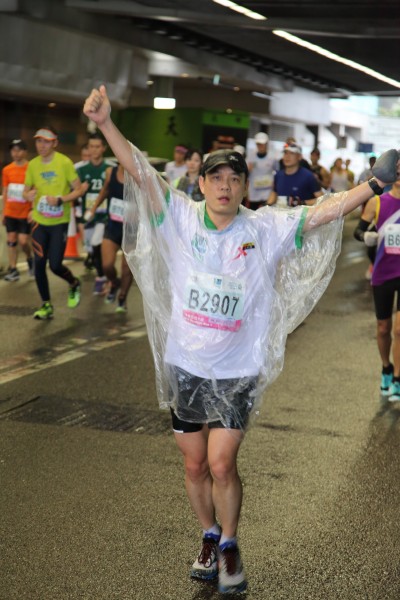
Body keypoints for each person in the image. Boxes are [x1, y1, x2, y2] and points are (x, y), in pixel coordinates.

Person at [83, 85, 399, 595]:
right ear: (201, 184)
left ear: (245, 186)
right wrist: (104, 123)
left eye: (234, 179)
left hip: (238, 368)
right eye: (216, 178)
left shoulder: (265, 228)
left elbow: (324, 211)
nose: (225, 187)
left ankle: (229, 543)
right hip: (186, 363)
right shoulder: (179, 217)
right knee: (193, 464)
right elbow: (140, 171)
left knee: (221, 462)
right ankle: (208, 535)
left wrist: (374, 185)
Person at [23, 126, 83, 320]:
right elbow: (25, 191)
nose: (42, 145)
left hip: (59, 222)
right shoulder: (33, 165)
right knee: (39, 263)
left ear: (55, 143)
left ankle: (74, 283)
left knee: (55, 265)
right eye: (39, 141)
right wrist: (28, 195)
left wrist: (60, 200)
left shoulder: (64, 163)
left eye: (46, 142)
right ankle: (46, 304)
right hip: (39, 222)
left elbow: (79, 190)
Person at [354, 176, 400, 401]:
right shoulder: (377, 202)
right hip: (383, 272)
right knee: (383, 328)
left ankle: (398, 379)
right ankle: (386, 368)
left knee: (399, 330)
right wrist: (366, 236)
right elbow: (358, 231)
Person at [86, 163, 134, 312]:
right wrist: (93, 209)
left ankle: (122, 297)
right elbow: (105, 191)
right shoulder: (110, 172)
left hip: (132, 230)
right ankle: (114, 282)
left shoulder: (138, 175)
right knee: (106, 265)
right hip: (113, 226)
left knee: (127, 269)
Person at [75, 132, 115, 294]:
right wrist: (80, 190)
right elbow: (74, 191)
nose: (94, 150)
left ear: (103, 148)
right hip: (88, 216)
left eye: (97, 146)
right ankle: (106, 274)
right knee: (91, 248)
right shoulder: (80, 169)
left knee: (97, 242)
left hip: (105, 216)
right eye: (91, 146)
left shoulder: (111, 168)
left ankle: (101, 278)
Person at [1, 139, 33, 281]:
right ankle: (13, 269)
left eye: (19, 150)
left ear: (25, 152)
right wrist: (3, 212)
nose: (16, 153)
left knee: (23, 241)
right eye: (13, 150)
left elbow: (35, 189)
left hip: (25, 211)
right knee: (11, 240)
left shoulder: (31, 168)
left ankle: (30, 258)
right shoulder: (7, 170)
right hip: (10, 211)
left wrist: (33, 209)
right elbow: (5, 190)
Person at [268, 142, 322, 207]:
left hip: (302, 213)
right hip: (280, 212)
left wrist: (302, 202)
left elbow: (322, 199)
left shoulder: (308, 176)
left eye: (292, 153)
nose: (287, 156)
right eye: (285, 153)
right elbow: (274, 193)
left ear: (299, 157)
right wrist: (266, 205)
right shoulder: (278, 175)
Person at [245, 132, 275, 210]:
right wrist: (248, 170)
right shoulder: (250, 158)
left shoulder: (272, 158)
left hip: (267, 194)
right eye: (258, 144)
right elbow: (244, 175)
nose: (260, 146)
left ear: (267, 144)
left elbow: (277, 173)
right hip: (254, 194)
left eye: (263, 144)